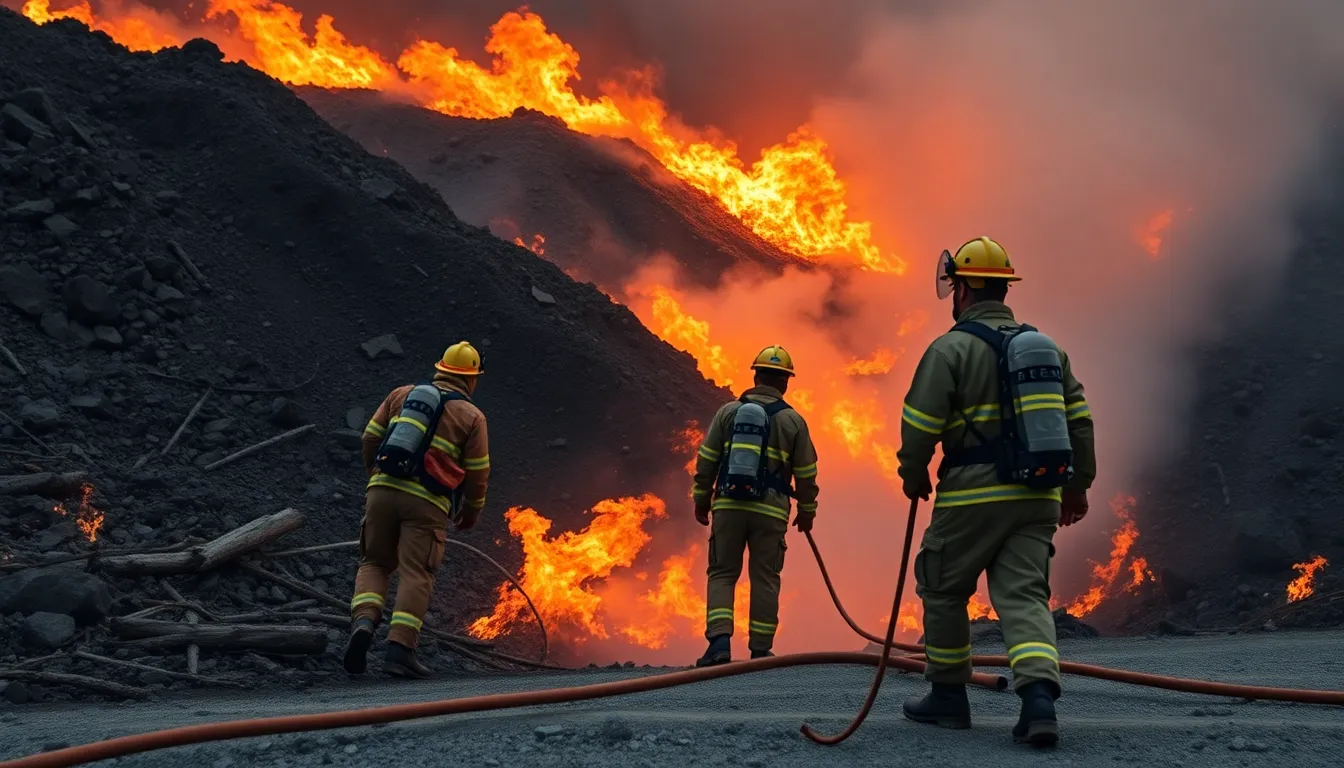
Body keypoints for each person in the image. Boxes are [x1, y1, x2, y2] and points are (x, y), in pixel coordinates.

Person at [897, 237, 1096, 747]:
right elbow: (1079, 421)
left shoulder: (950, 349)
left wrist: (913, 473)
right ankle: (1038, 701)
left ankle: (947, 697)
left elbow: (919, 423)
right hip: (1038, 496)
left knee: (942, 587)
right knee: (1025, 595)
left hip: (972, 496)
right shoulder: (1047, 348)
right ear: (1005, 288)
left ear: (962, 288)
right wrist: (1076, 488)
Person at [342, 341, 491, 679]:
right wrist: (471, 512)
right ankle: (399, 650)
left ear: (440, 369)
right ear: (471, 380)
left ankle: (364, 622)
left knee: (375, 562)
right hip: (427, 504)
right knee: (416, 573)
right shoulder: (472, 416)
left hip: (381, 490)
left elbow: (369, 438)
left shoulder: (401, 395)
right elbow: (478, 473)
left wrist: (376, 478)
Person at [690, 345, 820, 666]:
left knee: (722, 571)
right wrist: (806, 512)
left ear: (755, 375)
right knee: (765, 576)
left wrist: (701, 500)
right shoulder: (794, 422)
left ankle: (719, 643)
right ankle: (760, 651)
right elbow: (806, 473)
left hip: (730, 505)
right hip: (772, 511)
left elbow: (707, 459)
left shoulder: (728, 412)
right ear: (785, 382)